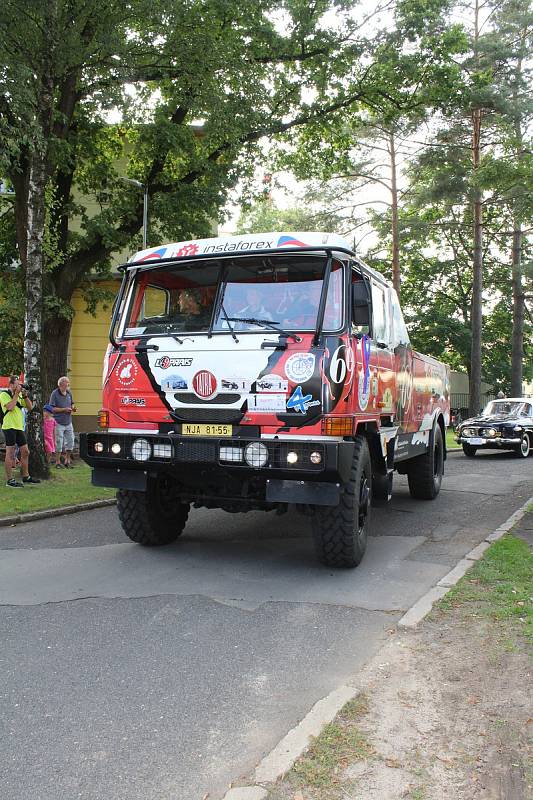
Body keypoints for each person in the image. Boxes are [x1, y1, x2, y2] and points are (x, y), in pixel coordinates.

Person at [0, 375, 41, 487]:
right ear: (12, 384)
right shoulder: (4, 394)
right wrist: (17, 394)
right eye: (18, 384)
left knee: (25, 451)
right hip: (9, 426)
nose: (20, 386)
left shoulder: (19, 396)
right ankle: (9, 480)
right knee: (11, 453)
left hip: (18, 427)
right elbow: (10, 407)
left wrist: (25, 395)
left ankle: (26, 476)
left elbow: (30, 407)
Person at [49, 376, 77, 468]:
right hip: (58, 422)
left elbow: (72, 403)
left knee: (70, 441)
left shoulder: (69, 393)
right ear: (61, 384)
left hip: (68, 422)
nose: (68, 384)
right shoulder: (55, 393)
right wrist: (64, 410)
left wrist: (73, 408)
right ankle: (57, 462)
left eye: (68, 382)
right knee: (59, 442)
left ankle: (67, 460)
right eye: (67, 382)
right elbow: (52, 408)